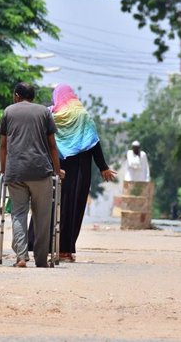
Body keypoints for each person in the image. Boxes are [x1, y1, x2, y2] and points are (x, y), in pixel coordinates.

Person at [0, 82, 64, 268]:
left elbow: (3, 145)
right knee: (42, 216)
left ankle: (21, 256)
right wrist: (58, 171)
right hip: (40, 171)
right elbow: (52, 146)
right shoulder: (44, 113)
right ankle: (41, 260)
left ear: (17, 95)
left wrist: (3, 169)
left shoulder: (8, 112)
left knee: (18, 213)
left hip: (16, 171)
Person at [50, 84, 117, 262]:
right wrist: (103, 167)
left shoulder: (51, 115)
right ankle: (65, 250)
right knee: (73, 208)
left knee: (51, 206)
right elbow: (94, 143)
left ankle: (43, 245)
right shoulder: (83, 116)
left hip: (55, 168)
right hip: (79, 172)